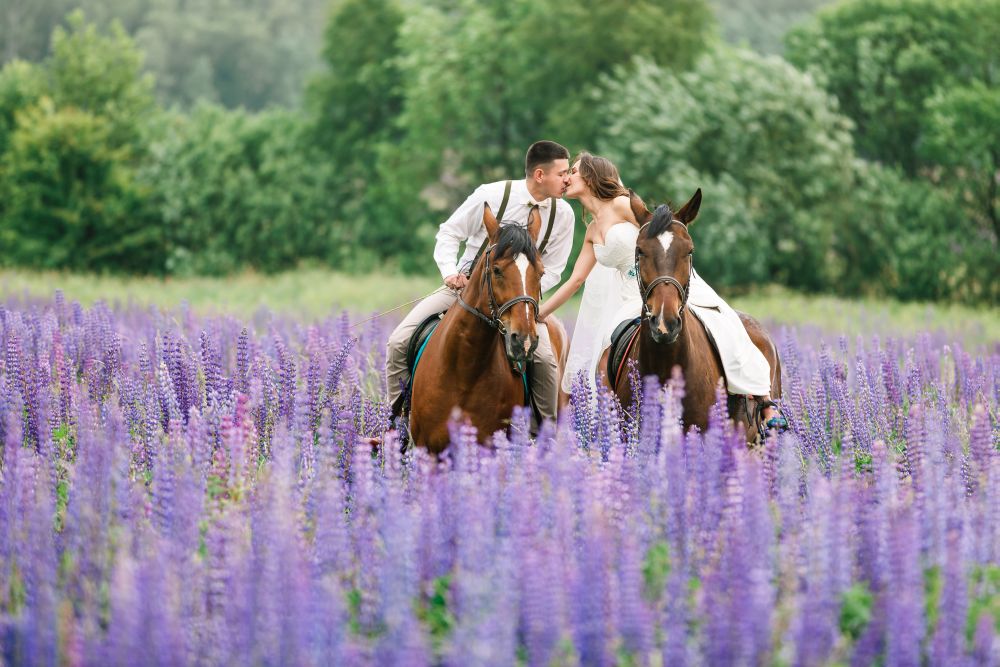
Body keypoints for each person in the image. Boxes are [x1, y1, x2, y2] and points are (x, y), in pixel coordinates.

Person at [537, 152, 785, 426]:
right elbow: (575, 281)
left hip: (662, 282)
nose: (567, 178)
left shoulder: (622, 205)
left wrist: (668, 272)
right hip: (628, 298)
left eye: (573, 171)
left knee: (724, 322)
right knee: (606, 352)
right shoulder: (592, 231)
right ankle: (614, 422)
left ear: (591, 176)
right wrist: (540, 312)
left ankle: (764, 401)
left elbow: (661, 235)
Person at [385, 140, 575, 424]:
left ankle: (541, 436)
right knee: (398, 341)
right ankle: (397, 425)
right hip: (465, 290)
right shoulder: (491, 195)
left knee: (545, 360)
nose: (568, 179)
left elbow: (556, 269)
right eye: (562, 173)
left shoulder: (564, 215)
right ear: (539, 175)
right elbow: (449, 233)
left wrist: (521, 296)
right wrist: (449, 272)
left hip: (520, 303)